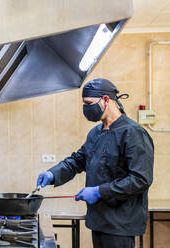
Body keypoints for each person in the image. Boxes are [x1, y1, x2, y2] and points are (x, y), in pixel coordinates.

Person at [37, 78, 154, 248]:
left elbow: (140, 179)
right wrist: (52, 174)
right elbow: (78, 160)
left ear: (106, 100)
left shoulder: (133, 133)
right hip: (98, 221)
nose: (86, 108)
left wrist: (100, 191)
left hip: (120, 225)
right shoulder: (96, 133)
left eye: (88, 103)